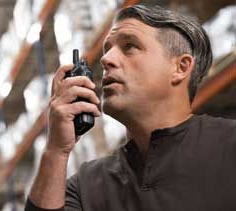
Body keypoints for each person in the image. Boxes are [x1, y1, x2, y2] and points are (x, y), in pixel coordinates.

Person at [25, 4, 236, 211]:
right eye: (107, 49)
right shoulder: (87, 187)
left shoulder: (229, 146)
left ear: (180, 68)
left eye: (130, 46)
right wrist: (56, 151)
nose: (106, 59)